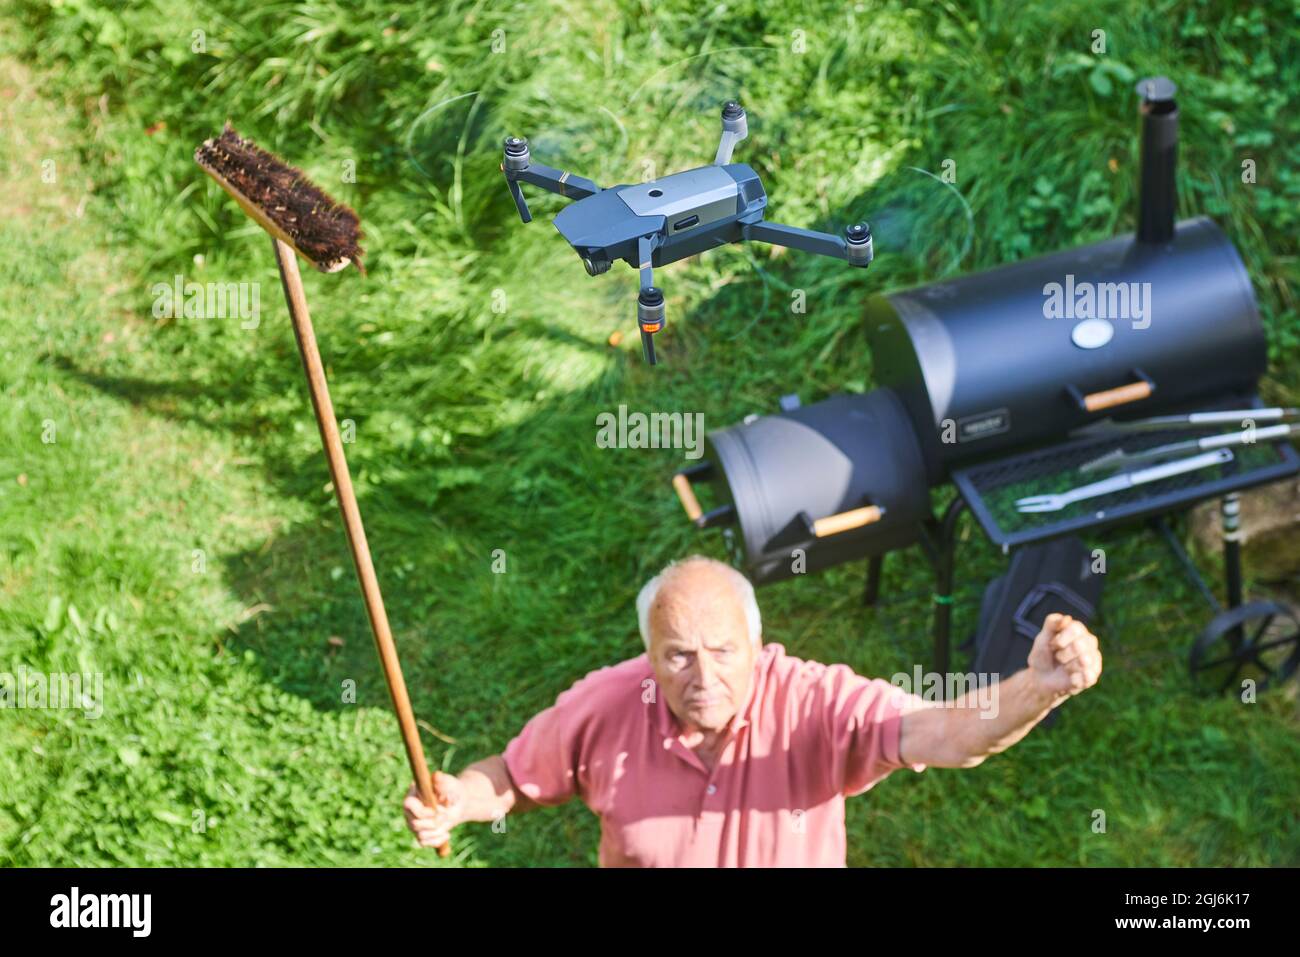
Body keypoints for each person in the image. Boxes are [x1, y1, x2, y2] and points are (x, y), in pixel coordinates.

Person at [404, 555, 1102, 866]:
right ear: (647, 651)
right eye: (677, 655)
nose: (702, 678)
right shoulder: (609, 702)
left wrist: (1038, 683)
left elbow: (952, 734)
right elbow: (516, 776)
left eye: (722, 651)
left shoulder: (817, 702)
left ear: (757, 643)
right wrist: (461, 798)